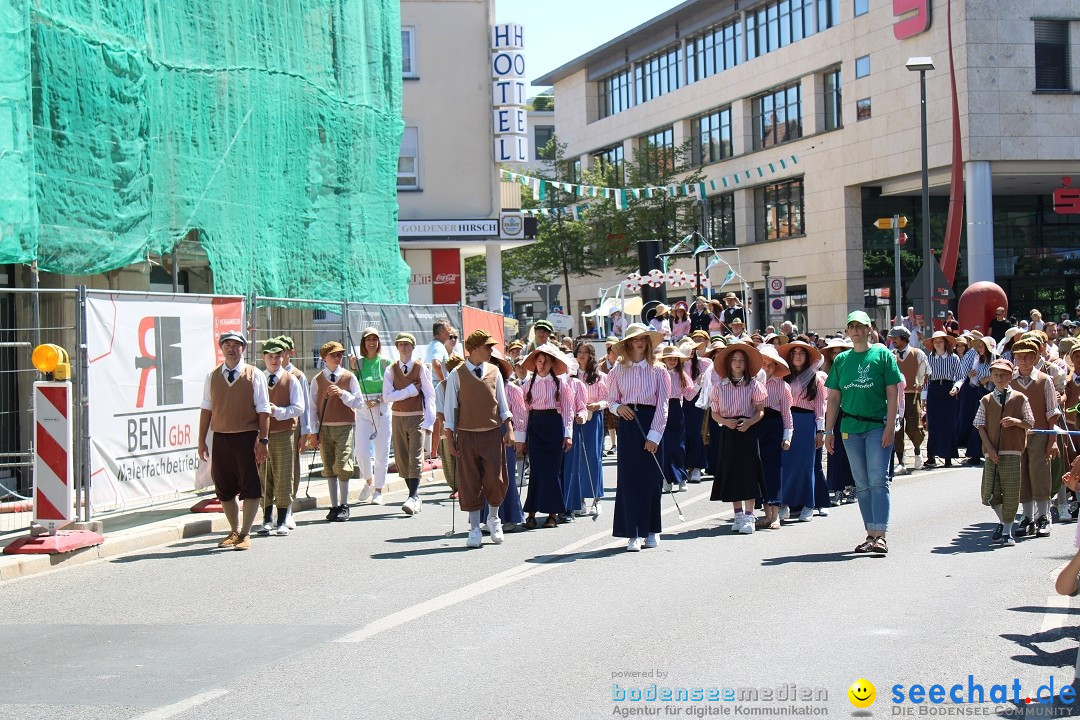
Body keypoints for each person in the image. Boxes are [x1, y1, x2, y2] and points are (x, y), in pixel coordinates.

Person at [824, 311, 902, 555]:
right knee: (861, 484)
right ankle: (870, 534)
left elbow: (893, 393)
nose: (855, 330)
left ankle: (881, 535)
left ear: (870, 329)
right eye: (851, 326)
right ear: (847, 331)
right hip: (850, 428)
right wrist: (828, 430)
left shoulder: (882, 355)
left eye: (860, 326)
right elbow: (834, 398)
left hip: (877, 426)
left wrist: (890, 426)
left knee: (878, 480)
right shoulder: (842, 360)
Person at [198, 332, 270, 551]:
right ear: (221, 348)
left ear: (243, 348)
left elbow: (264, 410)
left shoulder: (254, 374)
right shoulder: (212, 376)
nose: (231, 349)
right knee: (224, 486)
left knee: (250, 485)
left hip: (246, 436)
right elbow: (206, 408)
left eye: (236, 345)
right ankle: (234, 530)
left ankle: (246, 533)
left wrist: (263, 441)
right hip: (221, 437)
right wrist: (201, 441)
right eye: (227, 344)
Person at [442, 330, 515, 548]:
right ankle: (474, 528)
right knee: (469, 481)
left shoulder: (495, 371)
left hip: (492, 434)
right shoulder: (456, 374)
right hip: (466, 434)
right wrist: (449, 436)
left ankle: (493, 518)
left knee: (495, 478)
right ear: (474, 349)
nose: (491, 351)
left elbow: (502, 404)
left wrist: (508, 428)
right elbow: (450, 408)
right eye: (487, 347)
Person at [606, 324, 669, 551]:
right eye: (635, 339)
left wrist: (655, 436)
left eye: (643, 339)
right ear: (628, 344)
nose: (640, 342)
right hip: (629, 424)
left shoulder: (660, 370)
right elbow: (610, 400)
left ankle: (651, 529)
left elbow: (663, 405)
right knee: (629, 479)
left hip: (651, 422)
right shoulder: (617, 371)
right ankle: (632, 532)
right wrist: (618, 407)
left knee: (651, 480)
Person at [707, 341, 766, 534]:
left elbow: (760, 411)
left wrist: (749, 422)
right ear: (729, 364)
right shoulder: (718, 387)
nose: (738, 363)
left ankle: (749, 515)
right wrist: (725, 422)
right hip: (728, 431)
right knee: (731, 472)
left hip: (747, 430)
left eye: (741, 360)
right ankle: (738, 514)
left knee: (748, 473)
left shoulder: (754, 385)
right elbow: (714, 413)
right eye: (734, 360)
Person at [974, 359, 1034, 547]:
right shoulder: (986, 400)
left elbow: (1030, 422)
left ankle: (1007, 531)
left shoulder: (1020, 398)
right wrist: (989, 449)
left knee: (1010, 493)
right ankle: (1003, 521)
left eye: (1004, 375)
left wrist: (1016, 421)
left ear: (1010, 376)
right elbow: (979, 425)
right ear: (991, 376)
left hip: (1012, 451)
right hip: (991, 453)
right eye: (996, 375)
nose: (1000, 378)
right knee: (989, 493)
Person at [514, 343, 574, 529]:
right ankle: (531, 513)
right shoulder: (527, 386)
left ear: (552, 365)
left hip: (554, 427)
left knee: (552, 471)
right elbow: (522, 413)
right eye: (539, 361)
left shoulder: (561, 384)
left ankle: (552, 514)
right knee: (537, 471)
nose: (542, 365)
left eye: (546, 362)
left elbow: (568, 410)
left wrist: (568, 434)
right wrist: (521, 438)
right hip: (535, 427)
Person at [309, 341, 365, 522]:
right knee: (329, 466)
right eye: (333, 354)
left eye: (340, 354)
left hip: (345, 425)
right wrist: (313, 431)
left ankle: (344, 504)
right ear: (324, 358)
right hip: (325, 427)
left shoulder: (349, 377)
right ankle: (333, 506)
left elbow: (359, 402)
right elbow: (311, 407)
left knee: (342, 464)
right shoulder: (318, 380)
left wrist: (342, 394)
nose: (338, 357)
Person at [1010, 339, 1061, 538]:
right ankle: (1028, 517)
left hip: (1039, 433)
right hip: (1016, 435)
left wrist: (1052, 439)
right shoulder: (1010, 380)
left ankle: (1044, 516)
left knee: (1040, 474)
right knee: (1021, 475)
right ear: (1014, 358)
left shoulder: (1044, 380)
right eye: (1020, 356)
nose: (1024, 360)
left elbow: (1052, 411)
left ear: (1036, 357)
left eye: (1029, 356)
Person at [256, 338, 305, 536]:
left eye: (278, 357)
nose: (274, 361)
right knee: (264, 475)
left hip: (284, 433)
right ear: (263, 358)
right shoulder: (258, 378)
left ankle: (283, 518)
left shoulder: (290, 379)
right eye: (270, 357)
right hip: (264, 434)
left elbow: (299, 407)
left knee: (284, 475)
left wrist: (278, 412)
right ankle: (267, 518)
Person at [384, 332, 436, 516]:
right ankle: (413, 495)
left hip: (417, 416)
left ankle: (413, 496)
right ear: (397, 347)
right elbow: (387, 396)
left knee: (415, 456)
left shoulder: (421, 368)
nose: (404, 347)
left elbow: (430, 394)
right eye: (400, 344)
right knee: (402, 458)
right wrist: (411, 390)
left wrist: (430, 421)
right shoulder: (391, 370)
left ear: (413, 347)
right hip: (398, 416)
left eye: (407, 344)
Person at [780, 339, 826, 525]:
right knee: (786, 465)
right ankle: (784, 502)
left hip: (807, 422)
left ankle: (809, 504)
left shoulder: (817, 379)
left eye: (801, 353)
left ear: (807, 357)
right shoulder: (783, 377)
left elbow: (820, 406)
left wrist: (821, 430)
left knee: (807, 466)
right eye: (794, 353)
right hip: (787, 421)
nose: (797, 356)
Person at [352, 328, 392, 505]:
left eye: (375, 339)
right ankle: (369, 481)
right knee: (360, 451)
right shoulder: (357, 364)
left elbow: (393, 386)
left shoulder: (385, 363)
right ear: (363, 342)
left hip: (382, 408)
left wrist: (381, 399)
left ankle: (378, 490)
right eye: (368, 339)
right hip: (363, 410)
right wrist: (362, 400)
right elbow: (351, 387)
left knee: (381, 452)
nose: (372, 342)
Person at [275, 335, 312, 530]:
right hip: (273, 427)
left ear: (291, 352)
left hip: (293, 425)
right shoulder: (269, 374)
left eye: (284, 350)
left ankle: (288, 509)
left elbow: (304, 408)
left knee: (291, 468)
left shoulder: (298, 376)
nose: (281, 355)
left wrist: (305, 433)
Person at [758, 345, 793, 528]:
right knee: (760, 470)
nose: (766, 367)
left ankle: (776, 514)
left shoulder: (782, 386)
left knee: (773, 470)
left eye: (770, 364)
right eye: (763, 363)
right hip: (757, 426)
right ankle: (766, 514)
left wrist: (787, 435)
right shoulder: (753, 382)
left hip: (774, 427)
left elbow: (787, 413)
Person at [572, 342, 609, 515]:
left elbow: (608, 399)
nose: (582, 355)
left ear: (592, 355)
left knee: (593, 457)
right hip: (575, 418)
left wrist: (597, 405)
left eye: (586, 352)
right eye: (579, 351)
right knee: (576, 457)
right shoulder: (571, 374)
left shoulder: (600, 376)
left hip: (593, 418)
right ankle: (579, 499)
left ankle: (596, 498)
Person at [888, 326, 928, 475]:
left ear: (904, 338)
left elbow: (924, 373)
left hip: (912, 396)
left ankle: (918, 451)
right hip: (895, 396)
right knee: (897, 428)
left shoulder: (918, 354)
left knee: (915, 426)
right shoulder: (891, 356)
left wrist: (920, 385)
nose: (893, 341)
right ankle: (901, 461)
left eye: (895, 338)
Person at [821, 337, 855, 505]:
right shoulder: (824, 372)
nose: (836, 355)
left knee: (850, 450)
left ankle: (852, 486)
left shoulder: (852, 369)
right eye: (833, 352)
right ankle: (837, 488)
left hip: (849, 412)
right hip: (832, 413)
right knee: (834, 450)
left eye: (839, 352)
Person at [954, 334, 995, 467]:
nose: (980, 348)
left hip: (990, 392)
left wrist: (988, 379)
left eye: (983, 346)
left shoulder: (993, 358)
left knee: (984, 423)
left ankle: (980, 453)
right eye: (979, 346)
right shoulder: (980, 359)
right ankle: (976, 453)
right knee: (978, 423)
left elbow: (997, 375)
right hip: (980, 392)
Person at [658, 344, 695, 493]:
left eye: (675, 359)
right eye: (670, 359)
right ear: (664, 360)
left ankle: (681, 478)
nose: (673, 361)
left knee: (678, 445)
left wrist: (699, 384)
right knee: (664, 445)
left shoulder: (682, 375)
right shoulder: (659, 373)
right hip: (661, 407)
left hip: (675, 408)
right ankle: (667, 478)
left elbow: (689, 395)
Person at [923, 331, 961, 468]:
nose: (938, 344)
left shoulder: (953, 358)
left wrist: (956, 387)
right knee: (933, 424)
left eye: (940, 341)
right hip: (934, 390)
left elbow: (960, 376)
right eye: (935, 341)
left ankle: (948, 457)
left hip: (948, 390)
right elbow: (926, 379)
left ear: (945, 343)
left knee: (948, 424)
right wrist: (924, 397)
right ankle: (931, 457)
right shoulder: (929, 358)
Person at [434, 355, 466, 500]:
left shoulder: (469, 383)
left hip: (467, 427)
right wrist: (448, 431)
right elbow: (440, 411)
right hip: (448, 428)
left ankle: (466, 487)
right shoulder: (442, 386)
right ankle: (456, 487)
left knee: (465, 460)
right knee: (449, 461)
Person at [682, 331, 712, 483]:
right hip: (680, 401)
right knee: (683, 435)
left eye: (693, 348)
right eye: (688, 349)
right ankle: (686, 466)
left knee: (695, 434)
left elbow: (713, 377)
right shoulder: (677, 364)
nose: (691, 352)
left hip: (697, 402)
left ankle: (697, 467)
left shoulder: (705, 363)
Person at [601, 336, 620, 455]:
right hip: (605, 397)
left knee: (617, 422)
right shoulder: (601, 363)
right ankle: (604, 445)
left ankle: (616, 444)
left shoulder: (622, 362)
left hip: (617, 398)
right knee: (606, 423)